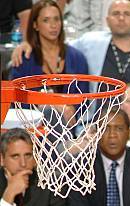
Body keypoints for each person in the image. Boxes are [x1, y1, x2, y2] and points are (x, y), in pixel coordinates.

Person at [12, 0, 130, 141]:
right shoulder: (90, 43)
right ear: (107, 20)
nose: (121, 18)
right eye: (116, 13)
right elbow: (55, 45)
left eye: (127, 14)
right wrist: (26, 44)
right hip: (94, 123)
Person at [10, 0, 89, 129]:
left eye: (56, 19)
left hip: (70, 127)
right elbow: (19, 100)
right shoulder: (25, 59)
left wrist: (70, 110)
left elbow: (84, 98)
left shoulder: (77, 57)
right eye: (46, 20)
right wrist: (53, 106)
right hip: (33, 128)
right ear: (35, 25)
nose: (53, 25)